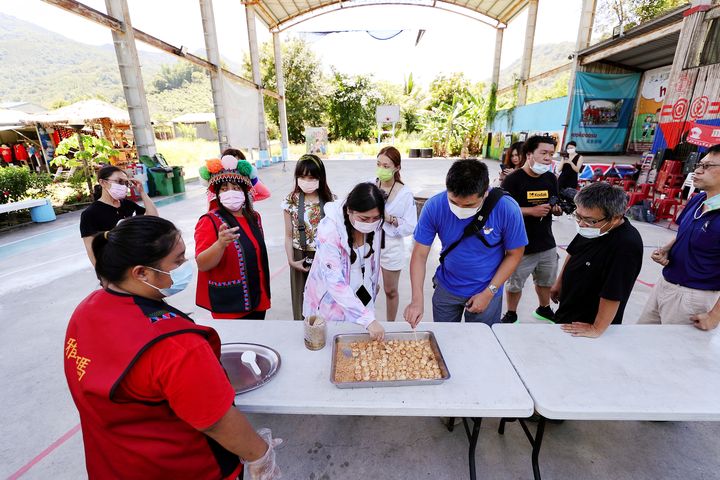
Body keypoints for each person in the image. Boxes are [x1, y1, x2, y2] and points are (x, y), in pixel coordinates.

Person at [64, 216, 281, 479]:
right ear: (141, 272)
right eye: (178, 261)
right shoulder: (176, 346)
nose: (185, 267)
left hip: (113, 462)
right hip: (181, 466)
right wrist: (260, 455)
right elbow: (216, 421)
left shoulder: (87, 309)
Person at [404, 159, 527, 327]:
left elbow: (515, 254)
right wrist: (416, 300)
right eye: (453, 202)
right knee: (445, 340)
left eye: (469, 205)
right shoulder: (434, 206)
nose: (460, 208)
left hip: (487, 289)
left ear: (485, 193)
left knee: (481, 344)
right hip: (446, 288)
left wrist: (489, 292)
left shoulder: (507, 209)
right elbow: (419, 255)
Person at [638, 145, 720, 331]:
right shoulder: (698, 200)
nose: (697, 170)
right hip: (665, 284)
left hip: (694, 296)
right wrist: (668, 248)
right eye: (699, 164)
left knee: (672, 356)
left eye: (707, 166)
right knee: (641, 342)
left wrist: (714, 316)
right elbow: (686, 230)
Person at [551, 182, 643, 337]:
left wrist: (597, 328)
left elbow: (614, 292)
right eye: (578, 216)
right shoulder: (592, 228)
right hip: (568, 305)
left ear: (615, 218)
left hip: (588, 319)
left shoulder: (626, 244)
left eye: (588, 220)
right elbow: (573, 252)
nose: (581, 223)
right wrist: (559, 282)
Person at [303, 182, 387, 340]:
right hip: (332, 300)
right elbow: (334, 281)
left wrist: (375, 282)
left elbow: (373, 258)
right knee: (335, 345)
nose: (370, 223)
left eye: (376, 218)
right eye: (364, 218)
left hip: (361, 293)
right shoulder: (329, 229)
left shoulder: (375, 225)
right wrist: (368, 319)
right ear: (349, 210)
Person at [195, 157, 271, 320]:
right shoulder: (209, 221)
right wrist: (220, 244)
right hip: (229, 303)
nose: (230, 192)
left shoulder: (254, 217)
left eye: (236, 188)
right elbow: (202, 263)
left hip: (257, 298)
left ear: (245, 192)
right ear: (217, 194)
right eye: (224, 188)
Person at [501, 136, 562, 324]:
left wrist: (556, 208)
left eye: (551, 154)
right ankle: (511, 313)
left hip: (546, 242)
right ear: (529, 154)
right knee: (514, 283)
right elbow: (503, 209)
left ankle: (544, 309)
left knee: (545, 280)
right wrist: (530, 211)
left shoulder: (551, 178)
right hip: (520, 245)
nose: (547, 158)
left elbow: (555, 200)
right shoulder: (513, 180)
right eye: (543, 153)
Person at [282, 154, 335, 320]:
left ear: (320, 178)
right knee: (300, 299)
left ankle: (322, 330)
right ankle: (302, 330)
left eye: (311, 177)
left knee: (324, 298)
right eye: (302, 177)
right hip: (300, 255)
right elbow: (289, 235)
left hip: (324, 256)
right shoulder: (290, 200)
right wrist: (291, 261)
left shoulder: (330, 201)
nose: (306, 181)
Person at [80, 165, 158, 265]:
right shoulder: (90, 214)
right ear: (103, 182)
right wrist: (102, 275)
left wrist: (142, 192)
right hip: (116, 266)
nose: (123, 186)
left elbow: (153, 219)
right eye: (119, 181)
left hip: (138, 260)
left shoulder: (127, 204)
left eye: (125, 183)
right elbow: (91, 248)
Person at [375, 146, 417, 321]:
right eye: (379, 164)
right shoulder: (371, 185)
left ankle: (390, 324)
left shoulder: (405, 194)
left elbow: (410, 226)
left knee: (390, 290)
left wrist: (390, 218)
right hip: (370, 243)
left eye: (386, 166)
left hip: (392, 247)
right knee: (367, 286)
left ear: (397, 168)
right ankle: (364, 319)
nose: (381, 169)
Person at [206, 149, 270, 209]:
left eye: (239, 164)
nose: (235, 168)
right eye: (224, 189)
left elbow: (266, 194)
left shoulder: (246, 184)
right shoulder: (216, 183)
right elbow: (210, 206)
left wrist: (253, 182)